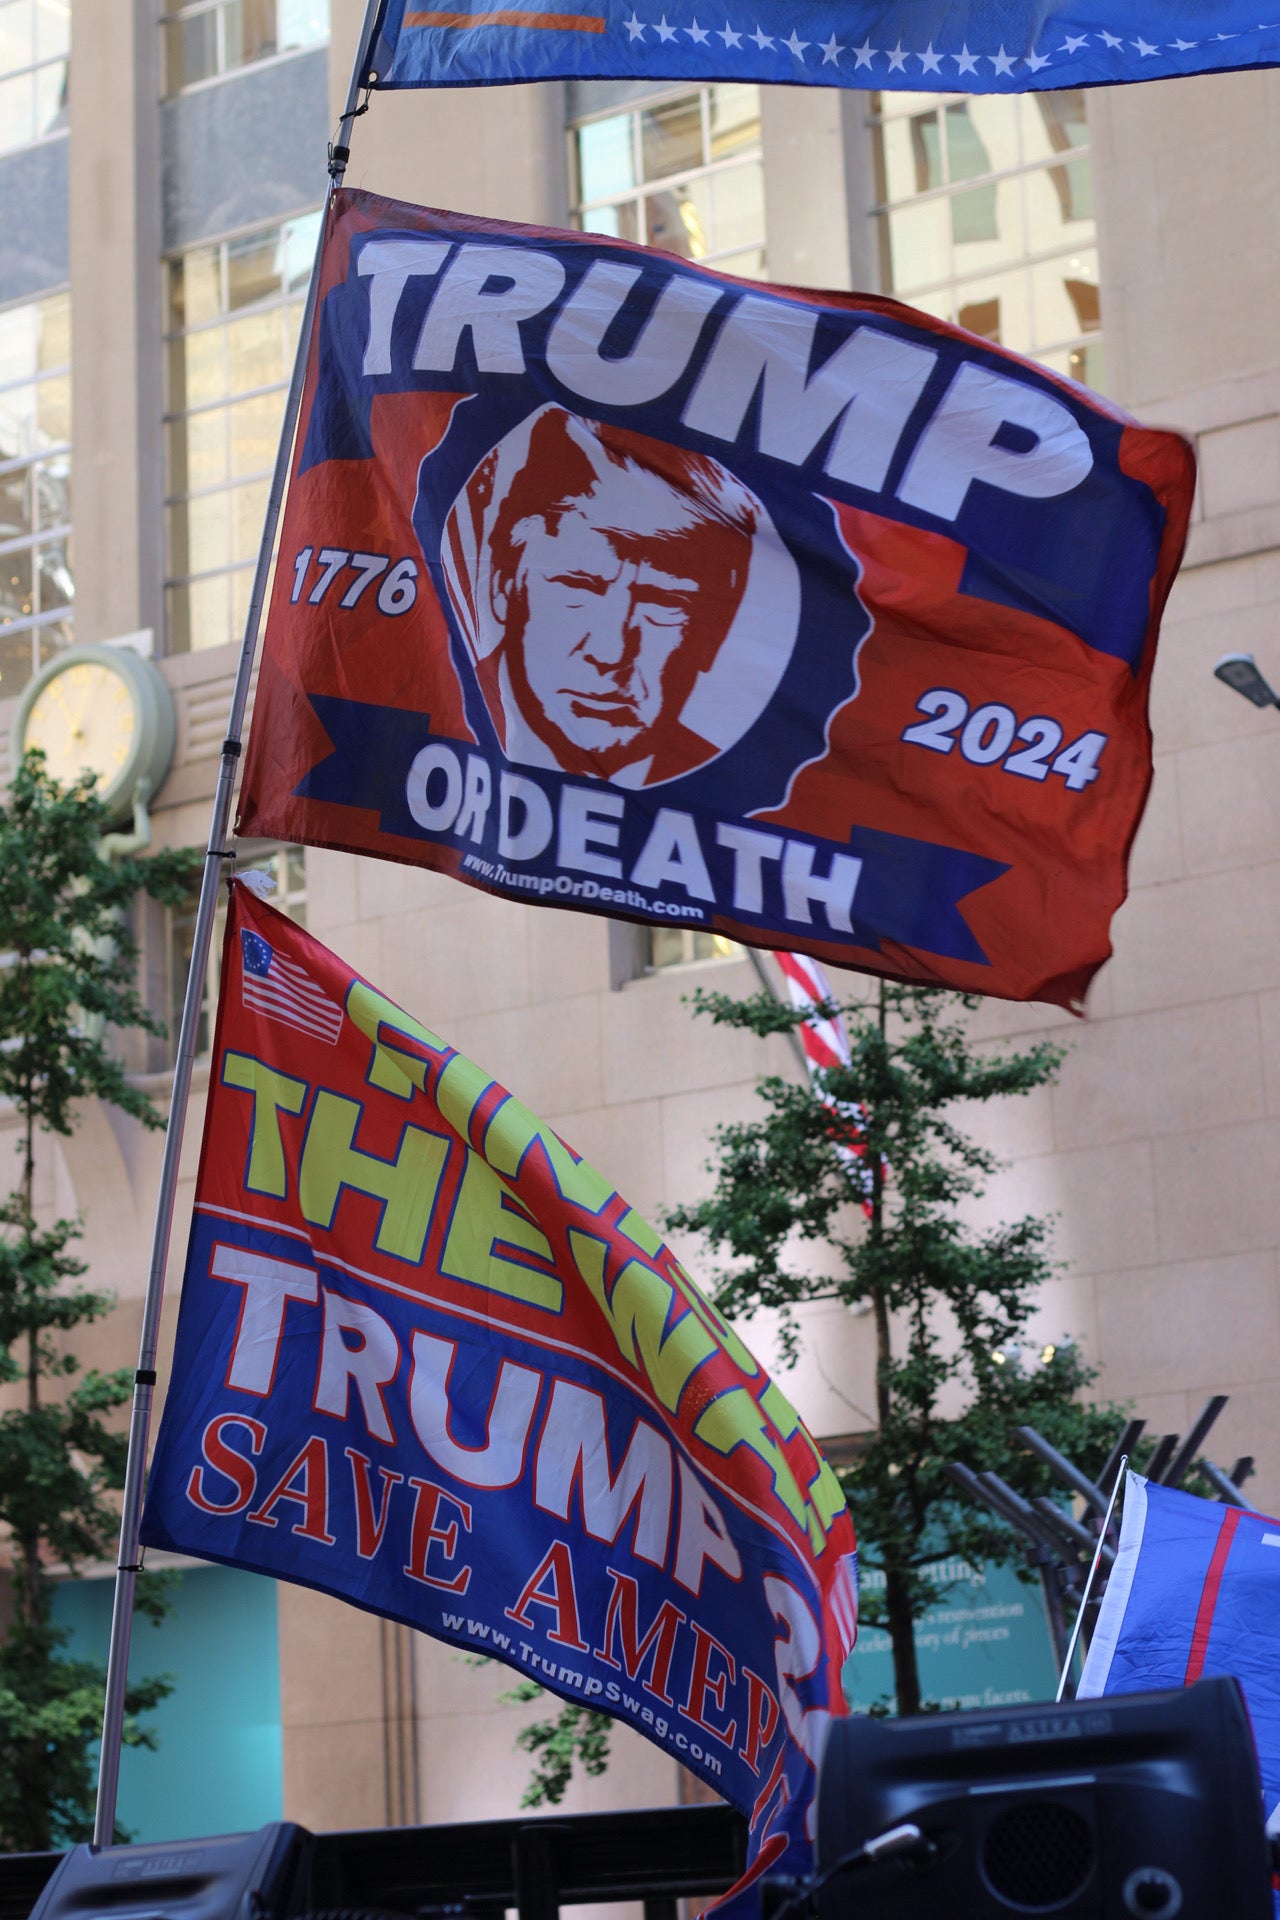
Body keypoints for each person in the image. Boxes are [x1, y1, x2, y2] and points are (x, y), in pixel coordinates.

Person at [437, 404, 766, 787]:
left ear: (713, 637)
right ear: (502, 590)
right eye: (578, 586)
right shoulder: (442, 715)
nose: (610, 653)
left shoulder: (738, 791)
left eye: (662, 602)